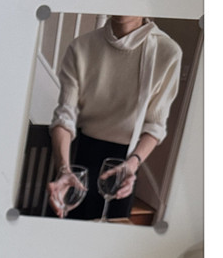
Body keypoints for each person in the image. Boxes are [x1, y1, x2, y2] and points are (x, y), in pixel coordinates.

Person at [47, 15, 182, 220]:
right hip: (77, 158)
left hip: (125, 164)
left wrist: (133, 164)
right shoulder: (81, 47)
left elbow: (155, 125)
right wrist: (64, 169)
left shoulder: (168, 52)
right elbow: (64, 116)